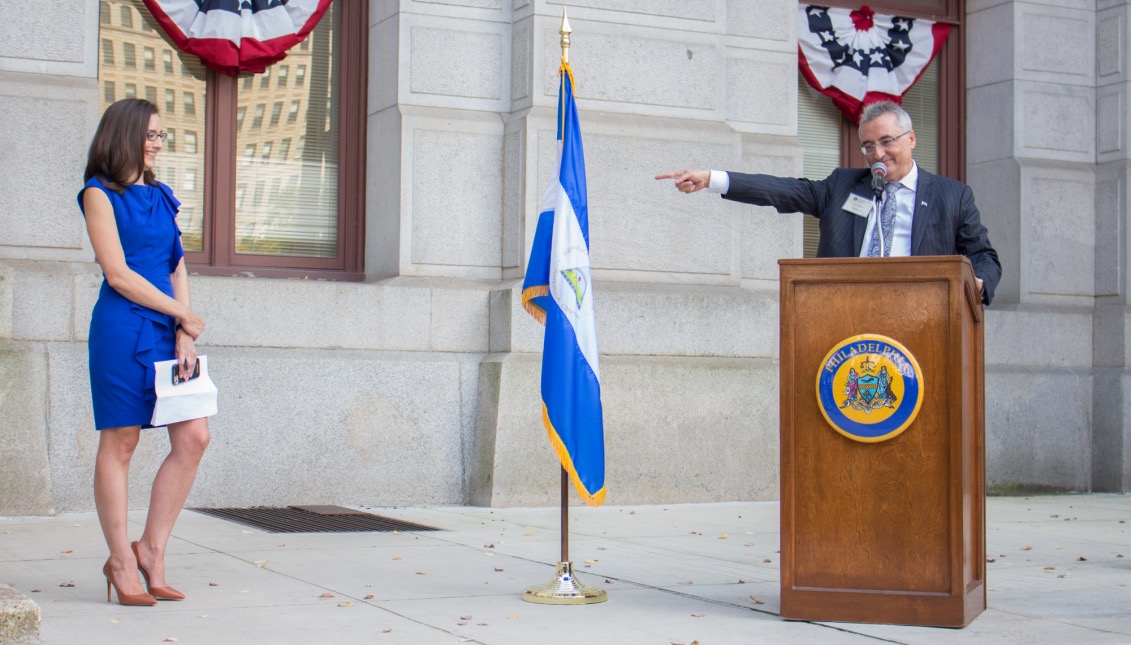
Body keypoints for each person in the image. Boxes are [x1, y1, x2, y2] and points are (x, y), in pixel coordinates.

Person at [656, 101, 1002, 305]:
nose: (877, 154)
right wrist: (713, 178)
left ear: (910, 139)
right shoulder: (843, 187)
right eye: (868, 146)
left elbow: (984, 256)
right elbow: (784, 190)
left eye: (886, 141)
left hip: (921, 314)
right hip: (842, 310)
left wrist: (977, 283)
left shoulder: (951, 195)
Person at [78, 98, 210, 606]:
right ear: (125, 135)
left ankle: (151, 550)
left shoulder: (162, 196)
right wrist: (178, 314)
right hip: (121, 327)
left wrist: (185, 328)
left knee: (195, 436)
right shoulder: (98, 195)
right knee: (123, 441)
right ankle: (119, 560)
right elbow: (118, 274)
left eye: (160, 136)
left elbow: (177, 265)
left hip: (168, 328)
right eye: (151, 134)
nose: (157, 143)